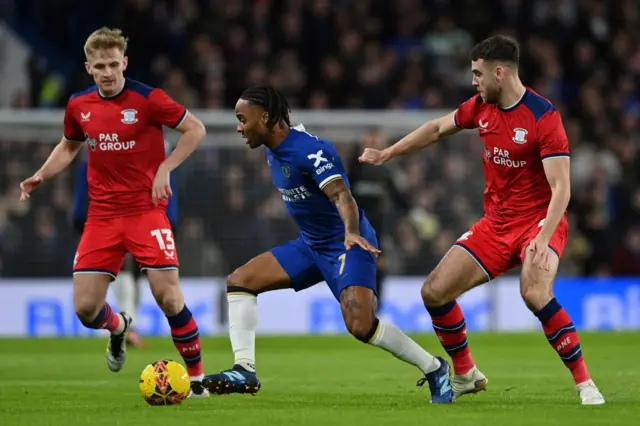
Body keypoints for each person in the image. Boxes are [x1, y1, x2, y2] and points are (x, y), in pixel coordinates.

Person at [359, 35, 605, 405]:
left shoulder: (543, 116)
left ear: (499, 73)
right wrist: (389, 153)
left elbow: (562, 189)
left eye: (478, 73)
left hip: (539, 222)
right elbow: (438, 129)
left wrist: (543, 237)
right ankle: (466, 374)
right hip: (495, 224)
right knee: (434, 292)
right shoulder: (480, 107)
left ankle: (585, 383)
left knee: (534, 292)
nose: (473, 81)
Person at [202, 85, 454, 404]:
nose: (238, 127)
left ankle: (434, 368)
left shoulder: (310, 152)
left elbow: (341, 195)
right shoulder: (272, 146)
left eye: (242, 119)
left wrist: (349, 232)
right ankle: (244, 370)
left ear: (265, 117)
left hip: (349, 244)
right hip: (310, 246)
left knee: (361, 326)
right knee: (239, 281)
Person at [19, 27, 209, 397]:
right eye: (100, 65)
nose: (107, 72)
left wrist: (166, 167)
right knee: (86, 310)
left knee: (168, 296)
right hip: (102, 217)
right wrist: (41, 174)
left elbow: (196, 129)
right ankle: (119, 326)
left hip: (146, 211)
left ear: (125, 62)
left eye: (113, 64)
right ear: (89, 67)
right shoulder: (78, 105)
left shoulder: (149, 99)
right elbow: (69, 145)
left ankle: (198, 379)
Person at [72, 140, 180, 348]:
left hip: (144, 216)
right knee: (124, 270)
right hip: (110, 218)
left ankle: (129, 324)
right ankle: (128, 325)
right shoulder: (101, 146)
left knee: (139, 272)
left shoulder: (153, 147)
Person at [348, 128, 410, 311]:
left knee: (378, 268)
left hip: (379, 231)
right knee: (355, 269)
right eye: (370, 143)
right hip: (354, 232)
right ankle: (355, 306)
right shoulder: (353, 172)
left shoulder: (386, 174)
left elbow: (401, 202)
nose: (373, 147)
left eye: (377, 144)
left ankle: (375, 308)